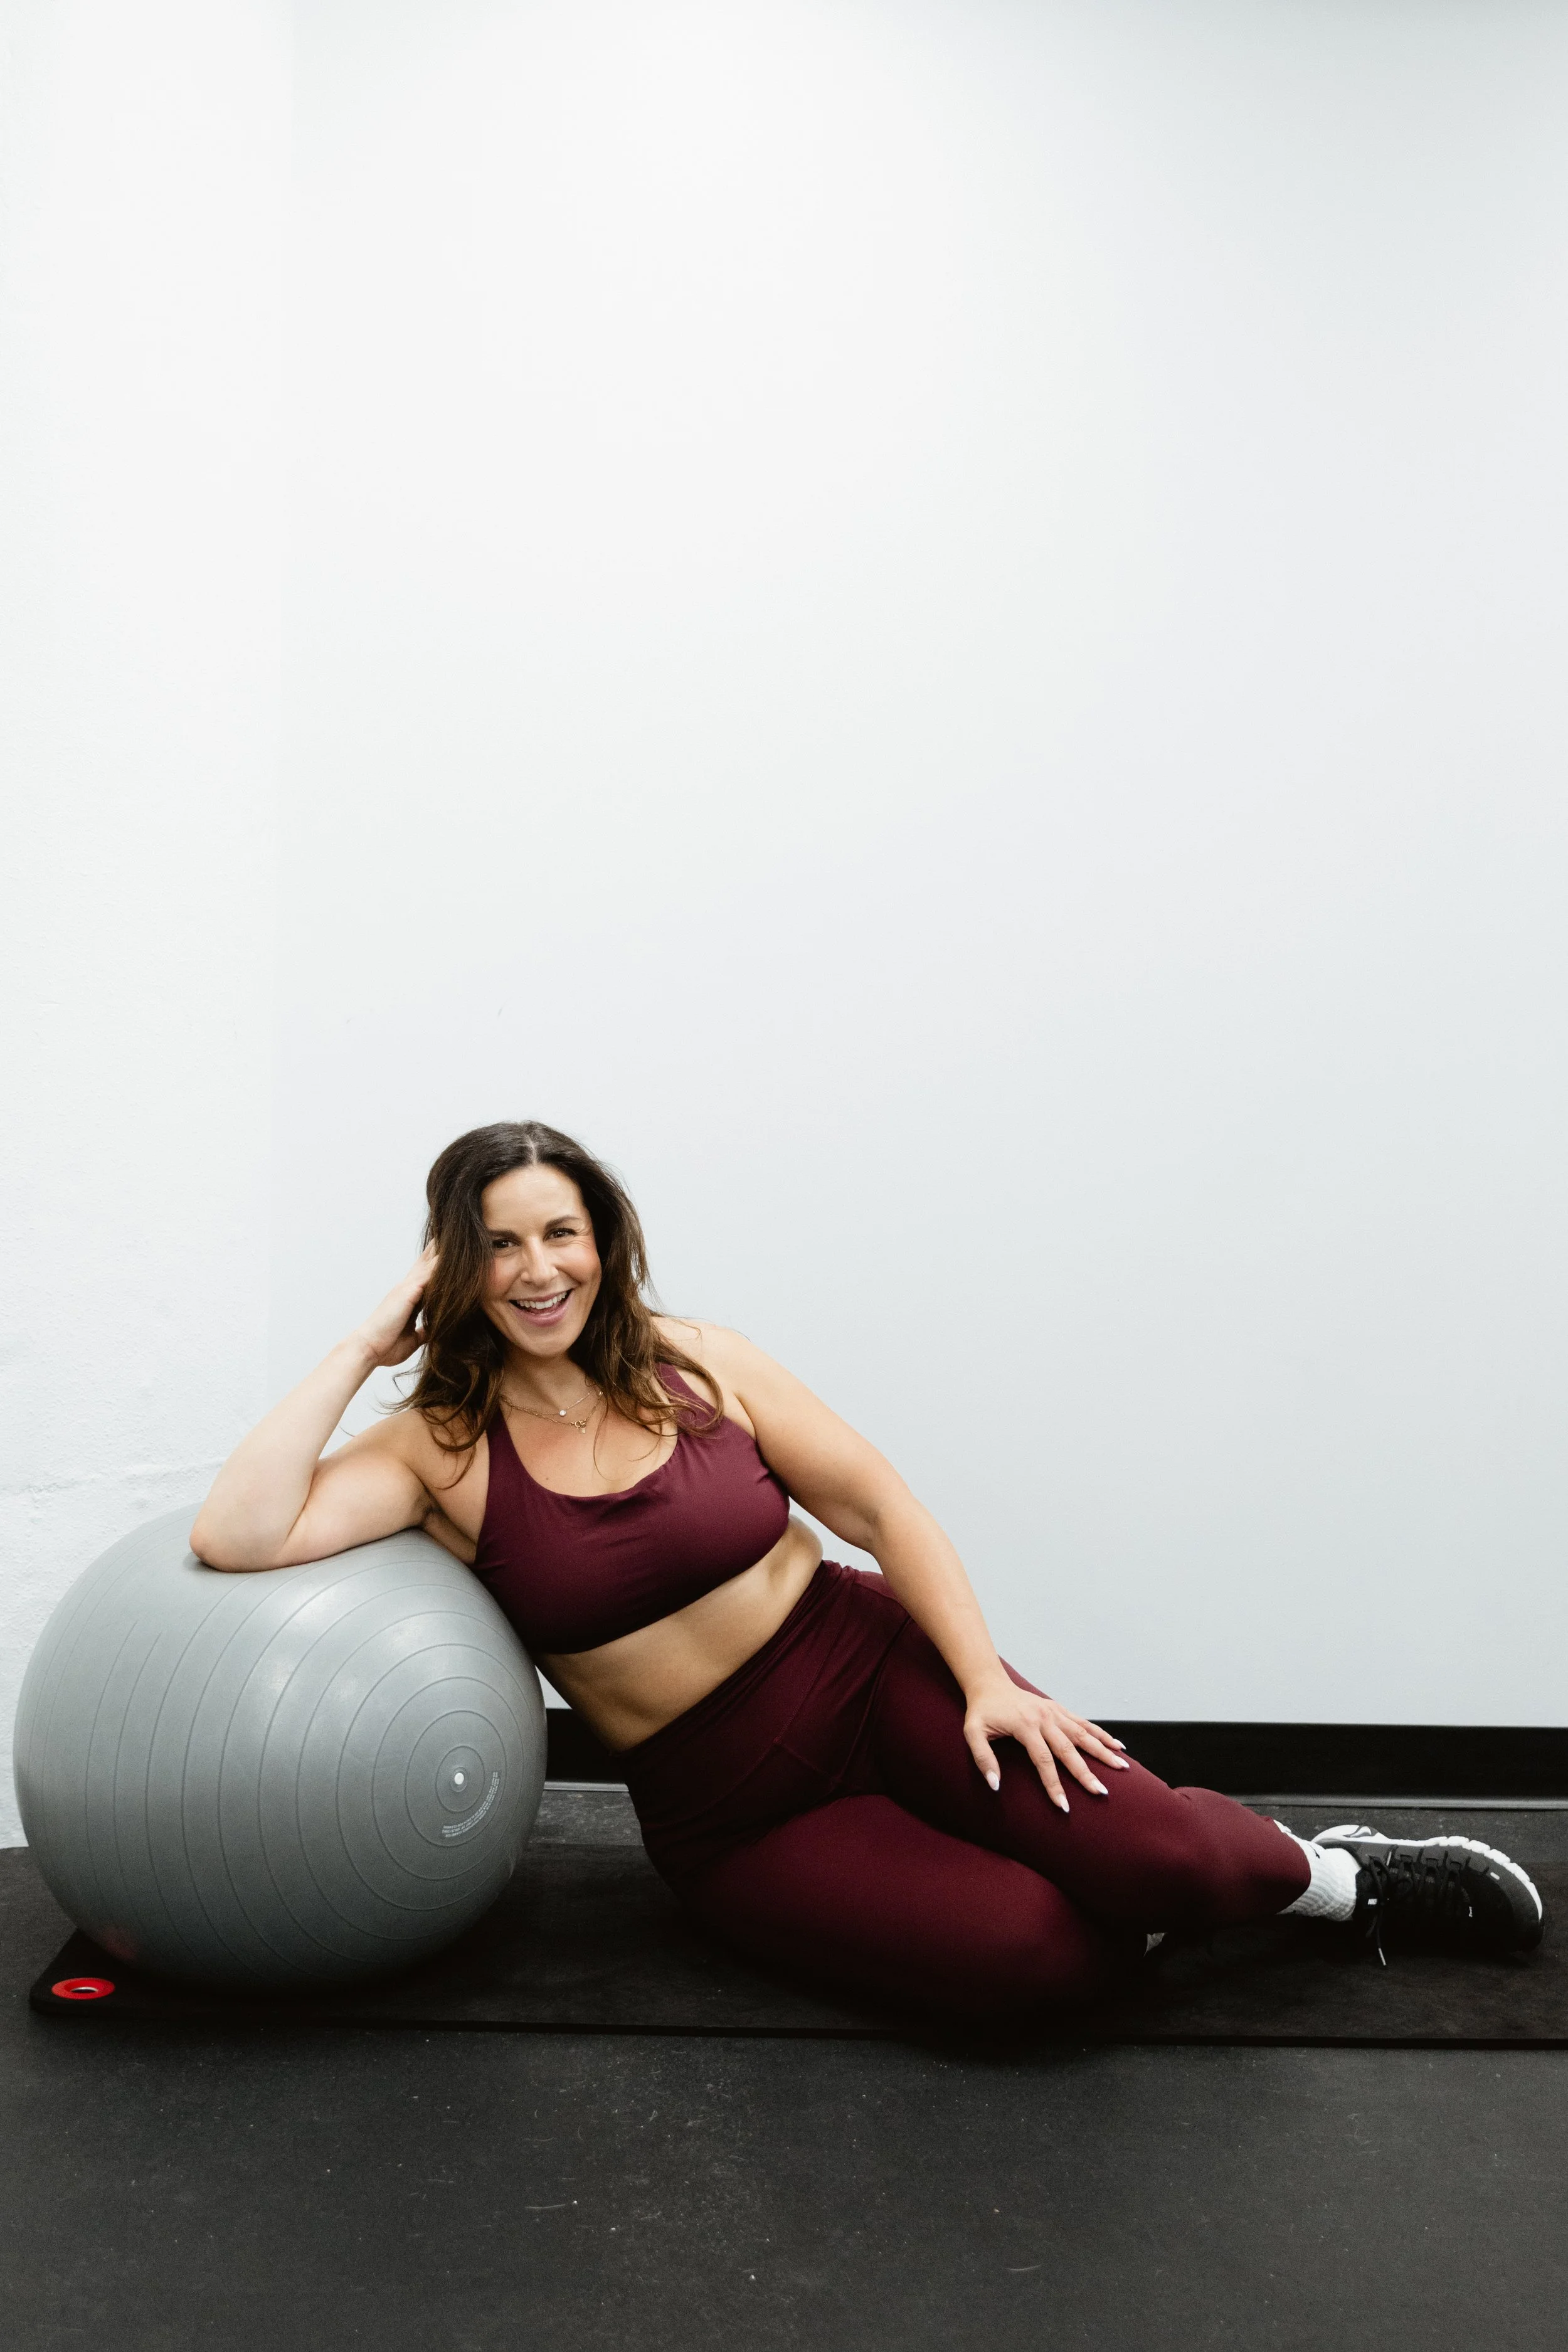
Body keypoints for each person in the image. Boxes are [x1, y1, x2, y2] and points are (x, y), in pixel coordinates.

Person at [192, 1121, 1544, 2021]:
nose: (539, 1269)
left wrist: (984, 1683)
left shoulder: (699, 1360)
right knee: (1035, 1964)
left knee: (1165, 1854)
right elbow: (237, 1533)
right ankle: (1101, 1900)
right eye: (498, 1243)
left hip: (870, 1668)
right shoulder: (436, 1448)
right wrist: (366, 1342)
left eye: (562, 1232)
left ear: (602, 1239)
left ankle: (1340, 1876)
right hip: (731, 1809)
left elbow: (883, 1508)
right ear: (451, 1265)